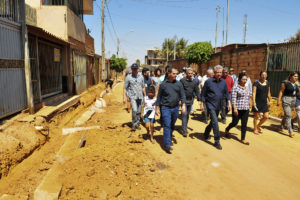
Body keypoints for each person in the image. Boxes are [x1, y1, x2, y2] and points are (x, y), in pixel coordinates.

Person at [200, 65, 231, 150]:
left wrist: (229, 103)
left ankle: (206, 133)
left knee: (213, 122)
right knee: (215, 122)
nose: (219, 74)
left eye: (220, 72)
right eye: (217, 72)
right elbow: (203, 94)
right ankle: (217, 141)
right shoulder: (208, 82)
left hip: (219, 105)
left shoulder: (223, 82)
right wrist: (201, 104)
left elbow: (227, 93)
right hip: (210, 104)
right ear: (214, 73)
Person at [156, 66, 186, 154]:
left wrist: (183, 105)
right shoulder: (163, 85)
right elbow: (159, 97)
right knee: (167, 125)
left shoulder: (179, 84)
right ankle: (167, 144)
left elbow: (182, 95)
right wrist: (157, 108)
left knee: (172, 125)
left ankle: (168, 136)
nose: (175, 75)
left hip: (175, 108)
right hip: (165, 108)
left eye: (176, 74)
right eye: (174, 74)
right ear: (169, 73)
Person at [225, 73, 251, 145]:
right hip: (237, 108)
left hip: (246, 109)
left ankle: (243, 138)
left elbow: (248, 97)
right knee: (235, 123)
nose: (245, 81)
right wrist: (235, 109)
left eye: (246, 79)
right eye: (243, 79)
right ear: (239, 79)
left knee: (244, 124)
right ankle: (227, 129)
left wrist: (250, 106)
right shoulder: (235, 87)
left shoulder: (247, 87)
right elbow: (233, 99)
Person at [123, 63, 146, 131]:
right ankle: (133, 124)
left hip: (140, 96)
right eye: (133, 68)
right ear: (131, 69)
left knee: (139, 111)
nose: (135, 70)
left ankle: (137, 123)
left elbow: (143, 87)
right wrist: (124, 97)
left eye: (136, 68)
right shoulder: (128, 77)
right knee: (134, 110)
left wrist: (145, 96)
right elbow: (125, 88)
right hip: (132, 96)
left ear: (138, 69)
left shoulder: (141, 77)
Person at [180, 68, 201, 137]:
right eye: (189, 73)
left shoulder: (194, 81)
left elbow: (197, 90)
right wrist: (180, 100)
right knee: (184, 114)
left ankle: (184, 126)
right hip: (184, 100)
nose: (190, 75)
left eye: (191, 73)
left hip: (190, 100)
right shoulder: (182, 81)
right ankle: (184, 130)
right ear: (186, 74)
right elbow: (179, 90)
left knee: (187, 115)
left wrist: (199, 99)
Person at [277, 72, 299, 137]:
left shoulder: (296, 84)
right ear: (291, 77)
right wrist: (278, 100)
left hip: (293, 100)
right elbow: (281, 91)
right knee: (289, 115)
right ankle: (290, 131)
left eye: (297, 76)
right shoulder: (285, 83)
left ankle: (281, 127)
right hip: (286, 99)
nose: (296, 77)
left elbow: (297, 92)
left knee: (287, 114)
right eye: (295, 76)